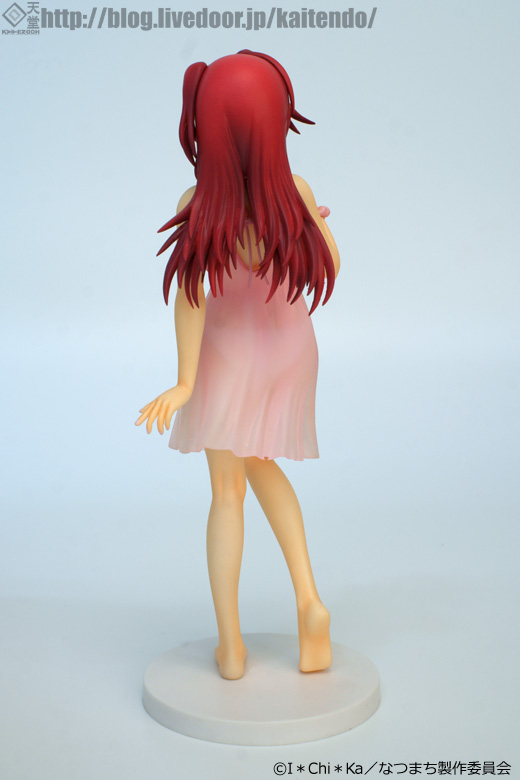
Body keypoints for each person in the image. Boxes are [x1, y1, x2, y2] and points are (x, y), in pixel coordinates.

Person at [136, 50, 340, 680]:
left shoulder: (199, 205)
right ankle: (309, 600)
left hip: (227, 353)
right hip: (289, 349)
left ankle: (231, 647)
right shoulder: (296, 194)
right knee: (261, 461)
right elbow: (332, 266)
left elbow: (190, 300)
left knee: (227, 491)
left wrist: (186, 382)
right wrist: (303, 225)